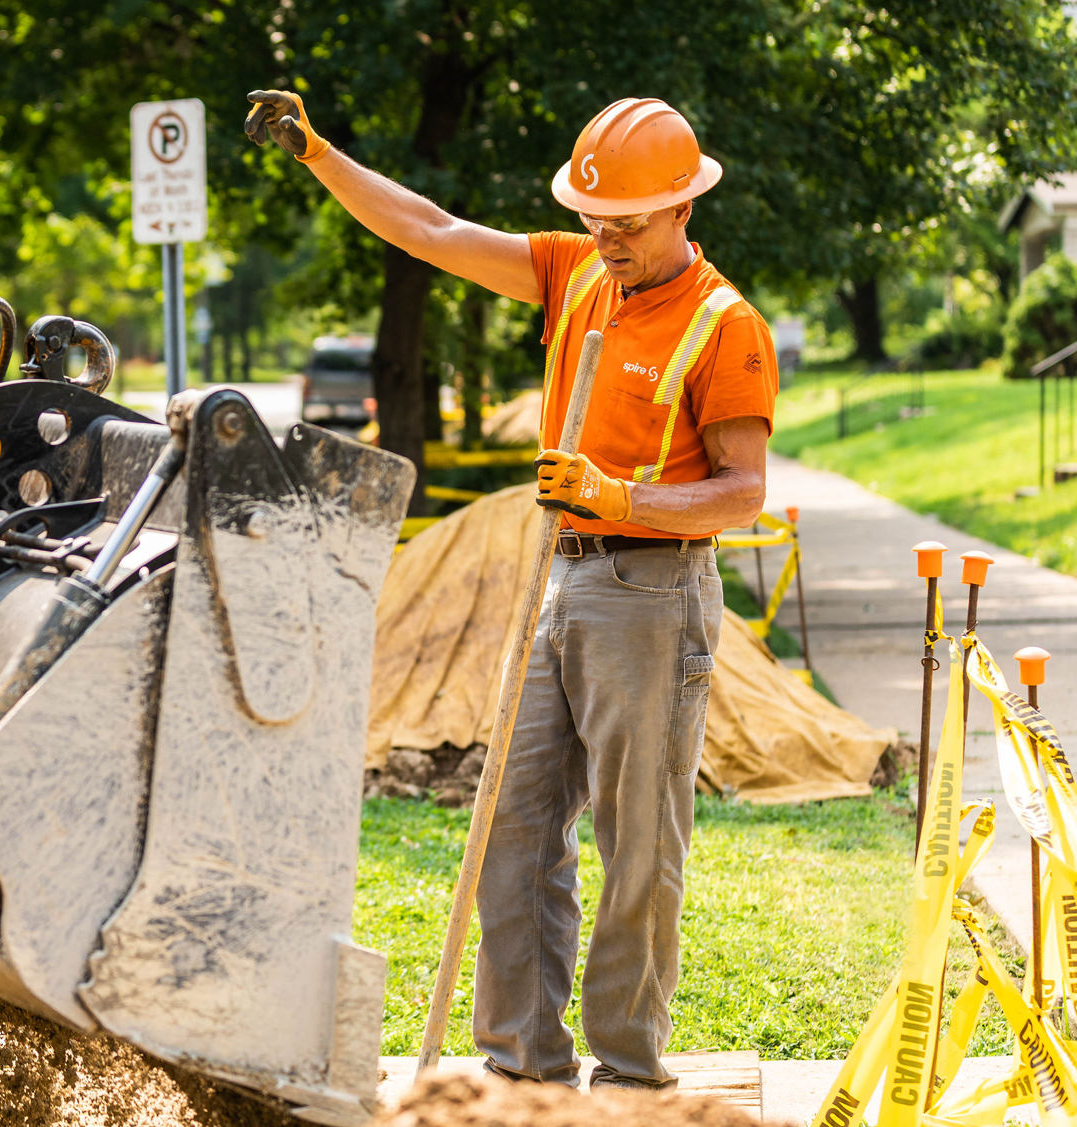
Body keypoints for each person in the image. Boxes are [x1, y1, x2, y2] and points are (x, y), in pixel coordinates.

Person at [245, 91, 774, 1090]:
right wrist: (319, 154)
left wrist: (619, 493)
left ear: (682, 210)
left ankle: (626, 1069)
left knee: (637, 838)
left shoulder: (725, 326)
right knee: (514, 816)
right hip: (560, 579)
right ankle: (521, 1065)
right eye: (594, 220)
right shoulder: (575, 274)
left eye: (626, 223)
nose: (606, 239)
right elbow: (429, 227)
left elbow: (741, 491)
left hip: (652, 593)